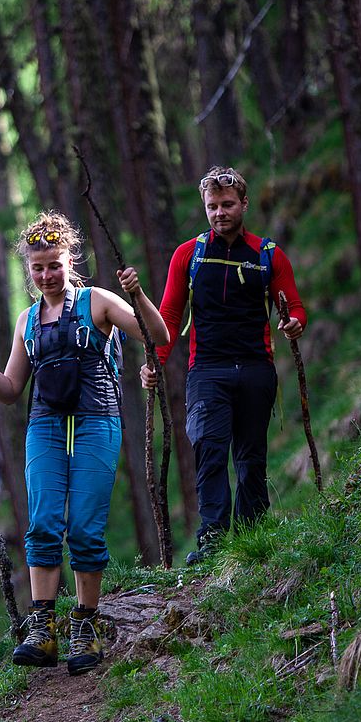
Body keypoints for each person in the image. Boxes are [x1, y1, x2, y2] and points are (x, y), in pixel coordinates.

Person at [0, 210, 169, 675]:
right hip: (45, 427)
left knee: (86, 528)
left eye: (54, 263)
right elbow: (11, 390)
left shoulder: (99, 302)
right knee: (45, 523)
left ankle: (86, 625)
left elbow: (159, 335)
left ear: (69, 260)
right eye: (38, 267)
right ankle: (43, 626)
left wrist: (136, 293)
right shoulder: (26, 321)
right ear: (28, 271)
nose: (47, 274)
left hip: (98, 421)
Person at [141, 166, 306, 565]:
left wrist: (294, 323)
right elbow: (170, 316)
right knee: (209, 449)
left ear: (244, 204)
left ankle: (252, 537)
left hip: (255, 369)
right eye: (212, 206)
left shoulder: (268, 255)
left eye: (227, 204)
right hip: (207, 371)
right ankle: (213, 539)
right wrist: (156, 366)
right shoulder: (189, 255)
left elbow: (294, 305)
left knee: (251, 456)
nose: (220, 213)